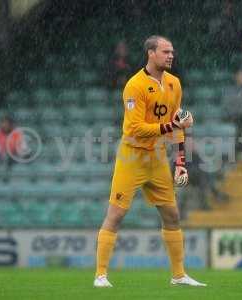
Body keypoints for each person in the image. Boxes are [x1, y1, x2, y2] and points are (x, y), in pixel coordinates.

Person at [94, 35, 206, 288]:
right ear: (151, 53)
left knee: (172, 215)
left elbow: (177, 127)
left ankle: (178, 275)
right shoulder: (134, 85)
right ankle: (100, 275)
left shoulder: (175, 84)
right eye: (165, 51)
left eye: (172, 52)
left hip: (156, 157)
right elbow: (135, 129)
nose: (170, 55)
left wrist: (180, 162)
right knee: (116, 214)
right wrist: (173, 124)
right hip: (132, 156)